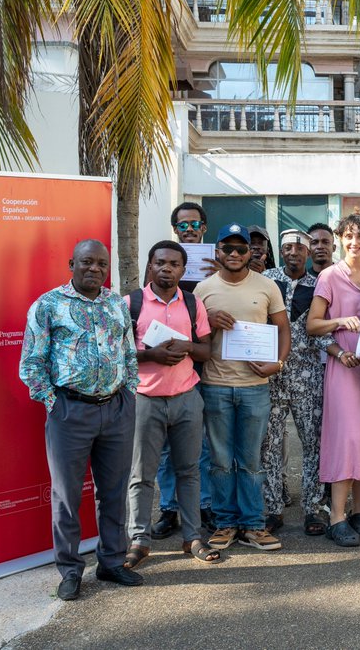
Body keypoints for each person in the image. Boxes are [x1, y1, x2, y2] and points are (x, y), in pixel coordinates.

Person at [18, 240, 142, 601]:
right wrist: (52, 401)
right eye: (87, 262)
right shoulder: (48, 306)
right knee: (67, 497)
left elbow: (129, 353)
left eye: (101, 264)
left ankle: (111, 562)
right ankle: (70, 570)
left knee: (115, 492)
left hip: (117, 409)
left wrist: (130, 392)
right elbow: (31, 361)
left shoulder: (115, 305)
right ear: (72, 263)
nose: (95, 269)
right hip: (70, 411)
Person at [123, 241, 221, 569]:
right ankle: (139, 540)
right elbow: (117, 353)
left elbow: (206, 352)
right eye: (161, 262)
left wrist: (185, 345)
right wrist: (151, 355)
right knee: (142, 474)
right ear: (150, 266)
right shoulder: (131, 304)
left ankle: (193, 537)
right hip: (145, 399)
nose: (167, 268)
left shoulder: (192, 304)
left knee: (189, 471)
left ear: (183, 269)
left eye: (174, 264)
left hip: (186, 399)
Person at [196, 223, 291, 552]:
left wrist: (277, 364)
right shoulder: (202, 290)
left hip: (255, 387)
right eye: (228, 248)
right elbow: (193, 338)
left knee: (251, 460)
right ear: (217, 252)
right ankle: (225, 523)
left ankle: (253, 525)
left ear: (251, 253)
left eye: (241, 249)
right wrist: (207, 322)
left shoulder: (267, 287)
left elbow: (283, 329)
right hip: (215, 385)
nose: (235, 254)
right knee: (221, 460)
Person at [307, 214, 360, 547]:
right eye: (349, 236)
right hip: (344, 369)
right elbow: (313, 325)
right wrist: (339, 330)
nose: (355, 242)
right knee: (347, 439)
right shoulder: (329, 276)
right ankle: (337, 516)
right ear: (340, 239)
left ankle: (359, 512)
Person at [153, 202, 218, 541]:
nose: (189, 230)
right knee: (165, 445)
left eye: (195, 224)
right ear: (175, 230)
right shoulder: (165, 265)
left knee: (201, 443)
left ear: (204, 227)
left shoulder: (217, 264)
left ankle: (203, 504)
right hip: (164, 366)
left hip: (204, 363)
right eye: (183, 226)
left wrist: (218, 271)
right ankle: (168, 508)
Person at [261, 229, 332, 536]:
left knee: (312, 442)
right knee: (270, 444)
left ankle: (313, 509)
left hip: (307, 376)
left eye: (299, 248)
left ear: (307, 253)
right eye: (287, 247)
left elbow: (323, 332)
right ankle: (273, 508)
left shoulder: (319, 286)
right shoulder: (265, 280)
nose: (293, 252)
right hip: (270, 375)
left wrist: (341, 354)